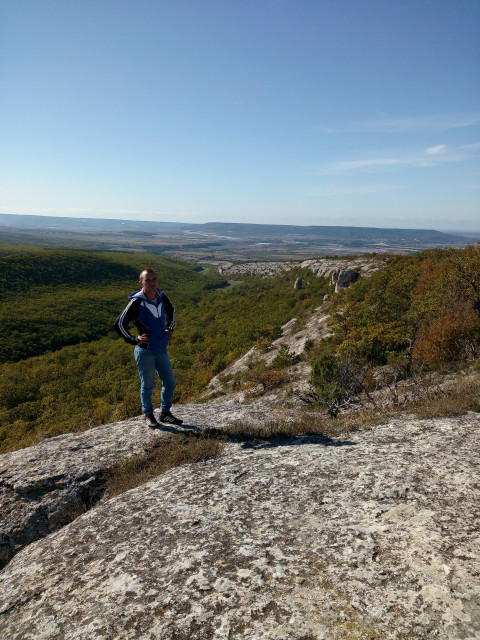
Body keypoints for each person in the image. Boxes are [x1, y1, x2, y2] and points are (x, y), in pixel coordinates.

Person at [114, 268, 183, 428]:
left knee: (170, 382)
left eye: (154, 279)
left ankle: (165, 413)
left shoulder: (161, 295)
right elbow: (119, 324)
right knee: (148, 385)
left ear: (157, 281)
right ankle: (148, 414)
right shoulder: (137, 301)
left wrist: (169, 328)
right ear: (141, 283)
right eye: (148, 280)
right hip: (145, 352)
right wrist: (133, 339)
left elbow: (171, 310)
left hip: (161, 349)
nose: (151, 283)